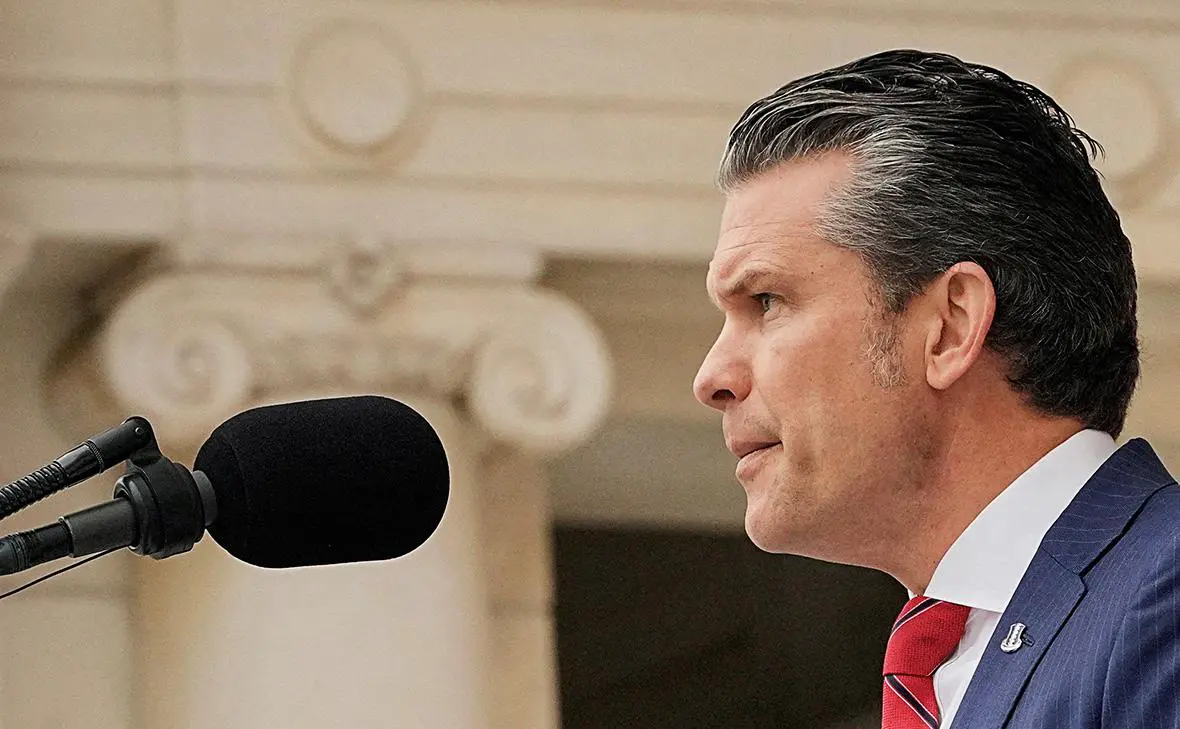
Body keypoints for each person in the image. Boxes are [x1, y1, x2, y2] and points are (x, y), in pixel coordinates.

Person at [691, 49, 1179, 729]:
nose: (712, 378)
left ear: (950, 326)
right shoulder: (960, 662)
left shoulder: (1162, 594)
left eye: (767, 301)